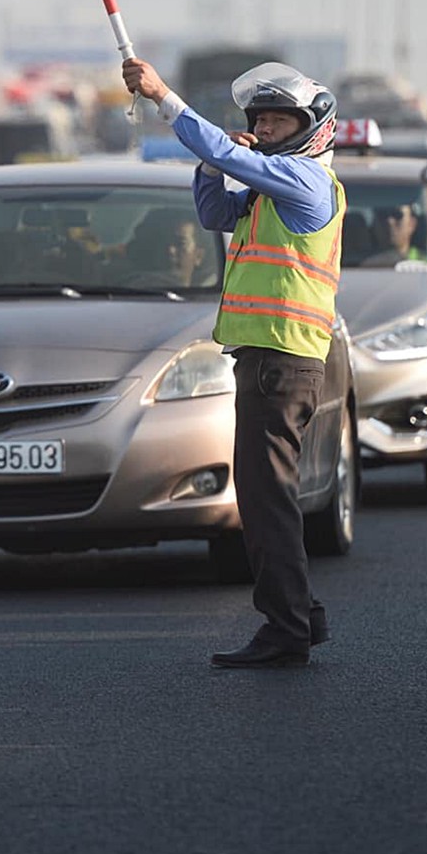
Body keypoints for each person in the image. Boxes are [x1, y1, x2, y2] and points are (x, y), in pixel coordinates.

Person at [122, 56, 344, 669]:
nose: (265, 129)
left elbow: (228, 154)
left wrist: (165, 96)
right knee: (270, 495)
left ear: (309, 126)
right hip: (267, 358)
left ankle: (285, 627)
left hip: (283, 360)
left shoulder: (305, 182)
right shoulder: (272, 188)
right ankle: (301, 613)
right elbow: (215, 212)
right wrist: (207, 166)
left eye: (277, 120)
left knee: (266, 497)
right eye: (261, 120)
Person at [127, 212, 206, 286]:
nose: (170, 250)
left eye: (180, 243)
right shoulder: (126, 290)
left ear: (199, 256)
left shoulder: (213, 296)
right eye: (163, 242)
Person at [360, 202, 427, 269]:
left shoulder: (426, 265)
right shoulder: (360, 268)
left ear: (412, 224)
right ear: (374, 224)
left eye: (397, 215)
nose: (390, 221)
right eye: (382, 215)